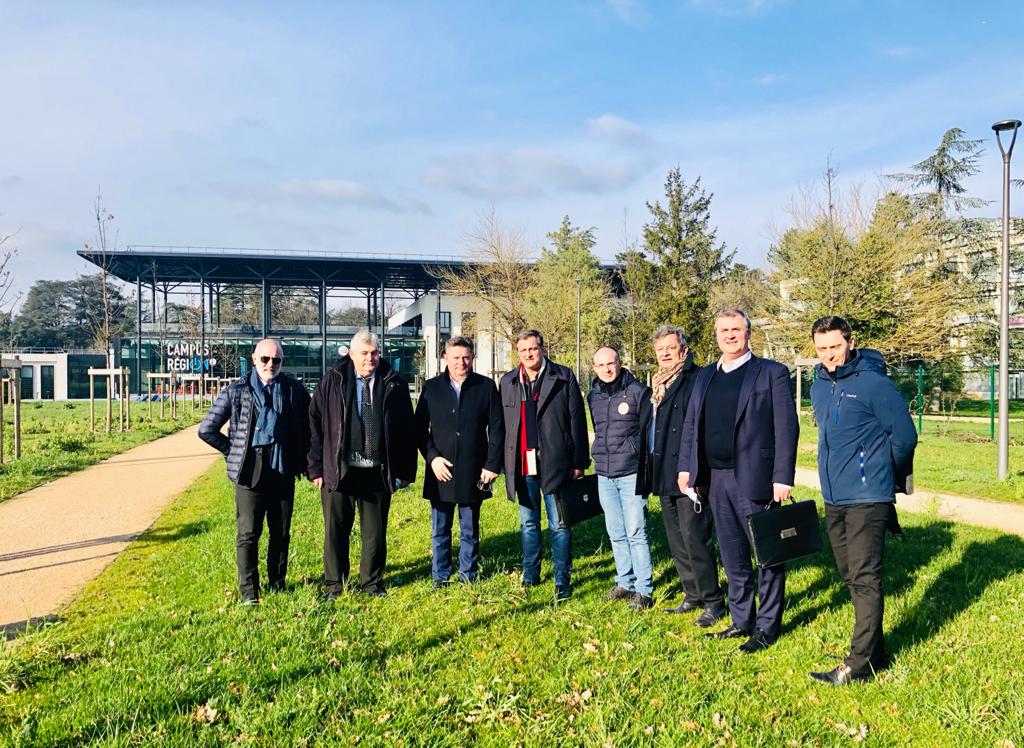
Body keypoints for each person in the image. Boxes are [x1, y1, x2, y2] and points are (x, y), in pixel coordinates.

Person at [677, 309, 799, 653]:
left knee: (767, 553)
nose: (729, 335)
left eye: (736, 329)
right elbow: (691, 425)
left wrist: (782, 476)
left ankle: (767, 626)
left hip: (756, 478)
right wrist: (688, 468)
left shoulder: (770, 373)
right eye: (723, 330)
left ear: (748, 333)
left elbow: (786, 427)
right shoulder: (704, 376)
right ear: (716, 335)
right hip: (715, 479)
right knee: (732, 554)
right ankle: (742, 619)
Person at [808, 315, 917, 685]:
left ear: (850, 343)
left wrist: (880, 473)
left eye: (835, 347)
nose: (829, 356)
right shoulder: (819, 385)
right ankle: (875, 651)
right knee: (849, 573)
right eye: (822, 349)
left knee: (866, 576)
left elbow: (904, 437)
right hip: (834, 495)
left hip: (868, 495)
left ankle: (857, 665)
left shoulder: (874, 384)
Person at [198, 338, 311, 605]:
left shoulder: (294, 390)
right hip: (251, 472)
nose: (271, 364)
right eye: (265, 359)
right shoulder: (237, 390)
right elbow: (206, 430)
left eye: (276, 360)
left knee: (281, 532)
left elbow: (309, 428)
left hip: (282, 470)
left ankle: (277, 583)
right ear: (254, 359)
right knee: (248, 533)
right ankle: (249, 592)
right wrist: (234, 450)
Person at [308, 330, 416, 599]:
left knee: (374, 533)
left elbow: (406, 432)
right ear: (352, 354)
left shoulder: (394, 384)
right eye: (365, 353)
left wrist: (404, 472)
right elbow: (314, 425)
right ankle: (334, 584)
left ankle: (370, 583)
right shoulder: (332, 381)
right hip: (340, 470)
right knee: (335, 530)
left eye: (375, 353)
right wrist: (316, 467)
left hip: (377, 471)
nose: (370, 358)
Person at [640, 325, 725, 627]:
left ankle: (713, 600)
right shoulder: (657, 383)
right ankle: (692, 593)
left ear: (683, 350)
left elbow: (702, 428)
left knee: (695, 537)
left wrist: (697, 471)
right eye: (660, 349)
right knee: (676, 538)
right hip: (663, 472)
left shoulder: (697, 378)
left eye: (670, 348)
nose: (664, 354)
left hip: (689, 473)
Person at [499, 330, 589, 600]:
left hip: (555, 463)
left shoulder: (563, 376)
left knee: (560, 524)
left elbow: (577, 421)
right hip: (523, 466)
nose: (529, 354)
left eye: (533, 349)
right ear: (518, 353)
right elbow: (502, 426)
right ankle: (530, 574)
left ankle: (562, 580)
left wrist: (579, 462)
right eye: (523, 350)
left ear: (542, 348)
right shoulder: (508, 381)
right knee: (528, 524)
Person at [414, 336, 503, 587]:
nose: (460, 362)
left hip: (474, 470)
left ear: (473, 357)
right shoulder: (431, 388)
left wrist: (492, 465)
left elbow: (497, 429)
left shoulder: (486, 387)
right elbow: (419, 430)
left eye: (465, 357)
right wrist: (432, 459)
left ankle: (468, 574)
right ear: (445, 358)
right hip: (440, 469)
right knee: (440, 529)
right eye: (455, 357)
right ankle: (440, 575)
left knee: (469, 528)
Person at [587, 346, 655, 609]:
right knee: (615, 532)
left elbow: (648, 433)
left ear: (620, 363)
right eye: (600, 365)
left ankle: (644, 589)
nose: (606, 369)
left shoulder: (638, 392)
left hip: (631, 474)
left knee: (636, 531)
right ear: (594, 368)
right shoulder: (593, 396)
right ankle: (625, 582)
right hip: (604, 473)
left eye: (610, 363)